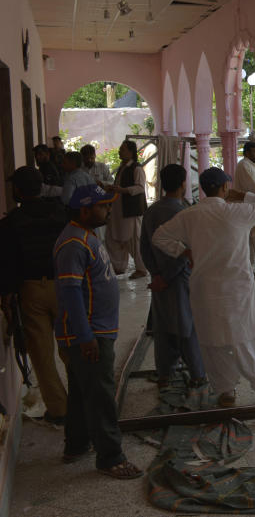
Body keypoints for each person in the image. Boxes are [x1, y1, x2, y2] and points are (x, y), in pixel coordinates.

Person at [152, 168, 255, 407]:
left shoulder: (190, 215)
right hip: (237, 289)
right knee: (247, 339)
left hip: (204, 290)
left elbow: (159, 236)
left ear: (202, 188)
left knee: (213, 342)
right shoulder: (235, 212)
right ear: (224, 188)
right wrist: (242, 196)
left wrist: (183, 251)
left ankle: (226, 392)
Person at [54, 184, 142, 479]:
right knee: (102, 396)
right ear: (85, 209)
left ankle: (77, 444)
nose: (107, 210)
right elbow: (69, 293)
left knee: (82, 392)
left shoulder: (85, 236)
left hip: (93, 332)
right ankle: (110, 457)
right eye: (103, 206)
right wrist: (85, 336)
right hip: (89, 335)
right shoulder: (72, 244)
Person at [0, 167, 69, 425]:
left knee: (41, 354)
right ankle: (82, 404)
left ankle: (60, 411)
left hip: (31, 290)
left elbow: (6, 265)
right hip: (65, 287)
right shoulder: (61, 214)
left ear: (17, 190)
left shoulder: (10, 223)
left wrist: (6, 297)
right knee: (71, 349)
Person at [139, 164, 205, 388]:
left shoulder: (152, 210)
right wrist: (166, 276)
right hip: (178, 277)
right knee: (187, 327)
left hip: (159, 279)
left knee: (163, 326)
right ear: (183, 184)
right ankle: (197, 373)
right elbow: (186, 251)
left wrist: (156, 274)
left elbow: (144, 248)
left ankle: (165, 373)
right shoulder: (182, 213)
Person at [104, 140, 147, 278]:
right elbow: (118, 186)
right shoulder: (123, 167)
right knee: (113, 238)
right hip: (118, 210)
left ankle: (141, 268)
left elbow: (140, 188)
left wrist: (122, 190)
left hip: (131, 211)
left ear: (130, 152)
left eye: (122, 149)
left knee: (134, 240)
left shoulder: (137, 168)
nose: (119, 152)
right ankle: (119, 266)